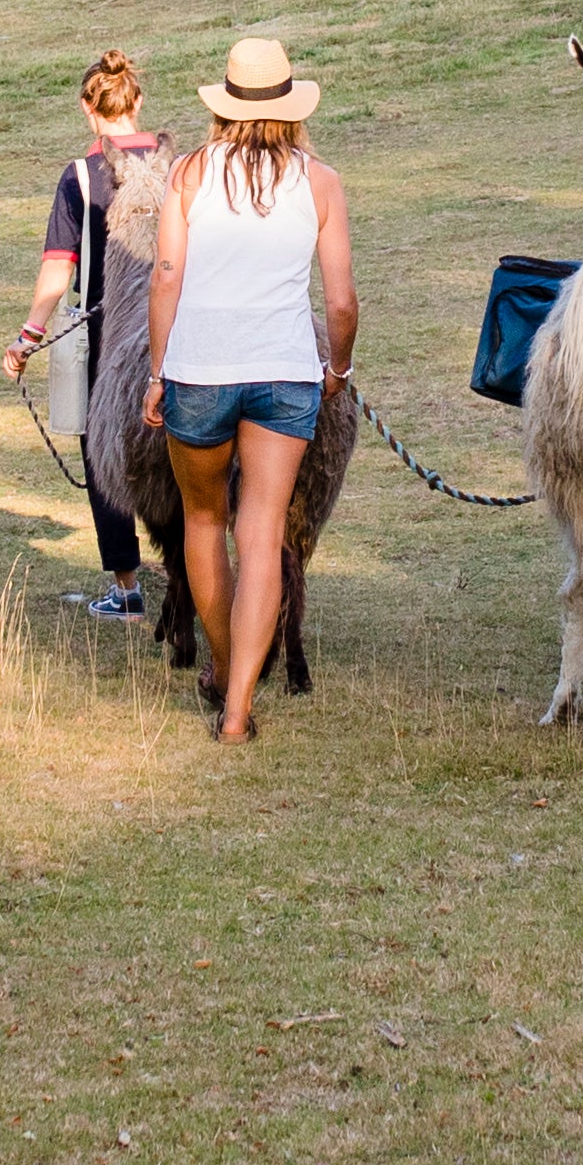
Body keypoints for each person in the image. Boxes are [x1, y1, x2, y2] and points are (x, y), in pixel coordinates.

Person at [139, 36, 353, 744]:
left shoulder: (190, 175)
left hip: (200, 372)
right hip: (285, 373)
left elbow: (164, 276)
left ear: (224, 107)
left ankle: (228, 666)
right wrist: (339, 372)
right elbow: (343, 303)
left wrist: (156, 371)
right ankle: (237, 712)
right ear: (290, 108)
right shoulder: (320, 181)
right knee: (260, 535)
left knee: (204, 524)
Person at [0, 49, 163, 617]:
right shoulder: (179, 162)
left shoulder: (81, 176)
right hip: (178, 323)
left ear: (86, 108)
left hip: (106, 330)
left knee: (104, 454)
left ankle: (127, 585)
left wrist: (28, 335)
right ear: (136, 101)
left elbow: (57, 267)